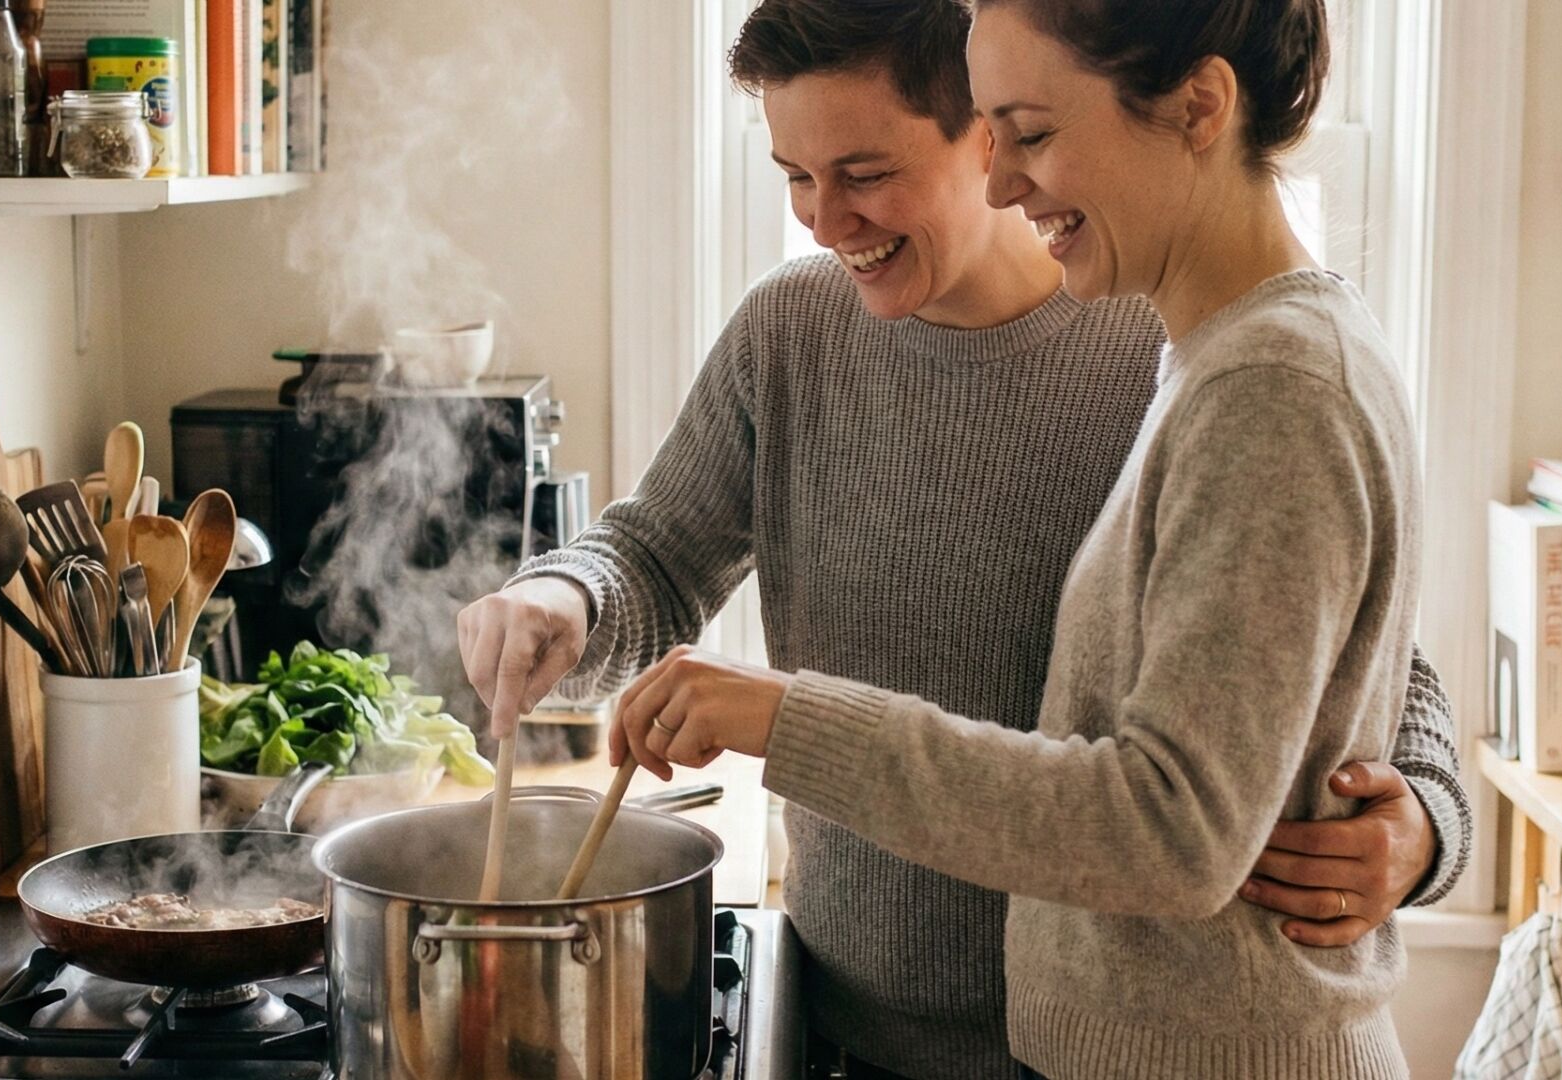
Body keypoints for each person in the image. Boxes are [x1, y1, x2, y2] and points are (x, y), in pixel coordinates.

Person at [458, 2, 1464, 1077]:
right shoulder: (791, 333)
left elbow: (1350, 655)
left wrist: (1424, 820)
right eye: (795, 177)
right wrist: (565, 597)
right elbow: (657, 553)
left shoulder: (1185, 337)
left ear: (982, 131)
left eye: (865, 173)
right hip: (867, 1026)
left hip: (1101, 1042)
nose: (824, 220)